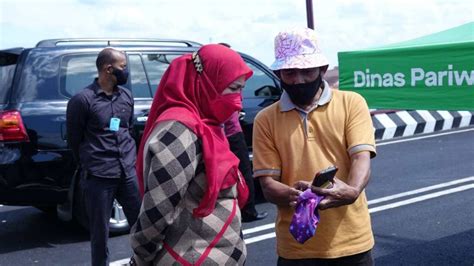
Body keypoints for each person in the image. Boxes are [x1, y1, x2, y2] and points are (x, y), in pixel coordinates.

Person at [252, 28, 377, 265]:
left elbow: (361, 157)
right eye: (289, 73)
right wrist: (296, 195)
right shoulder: (266, 119)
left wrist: (352, 190)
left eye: (306, 72)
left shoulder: (351, 103)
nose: (298, 80)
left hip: (352, 242)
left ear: (322, 69)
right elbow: (267, 184)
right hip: (297, 249)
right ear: (279, 72)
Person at [130, 44, 253, 265]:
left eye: (241, 89)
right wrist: (141, 256)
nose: (239, 100)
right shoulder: (179, 129)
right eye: (233, 88)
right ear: (206, 83)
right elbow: (158, 208)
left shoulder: (208, 124)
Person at [66, 48, 141, 266]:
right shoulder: (82, 100)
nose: (126, 72)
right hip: (99, 175)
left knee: (140, 226)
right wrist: (90, 163)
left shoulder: (126, 96)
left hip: (127, 171)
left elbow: (128, 129)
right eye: (123, 67)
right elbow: (74, 139)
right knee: (99, 233)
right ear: (109, 69)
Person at [224, 112, 268, 222]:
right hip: (232, 133)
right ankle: (248, 210)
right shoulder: (228, 96)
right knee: (245, 172)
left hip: (219, 134)